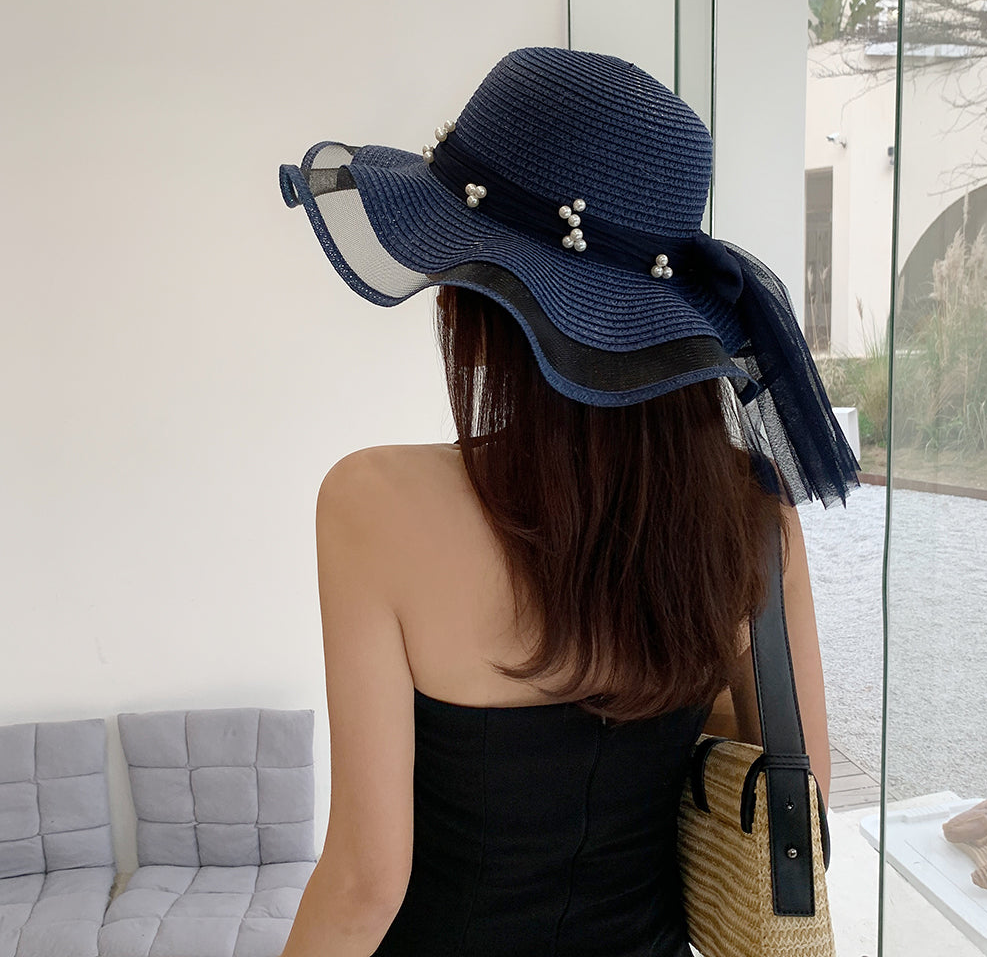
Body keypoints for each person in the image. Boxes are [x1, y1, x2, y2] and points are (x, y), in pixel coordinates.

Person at [276, 47, 859, 957]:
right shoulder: (749, 516)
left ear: (480, 299)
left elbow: (364, 882)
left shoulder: (373, 505)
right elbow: (796, 793)